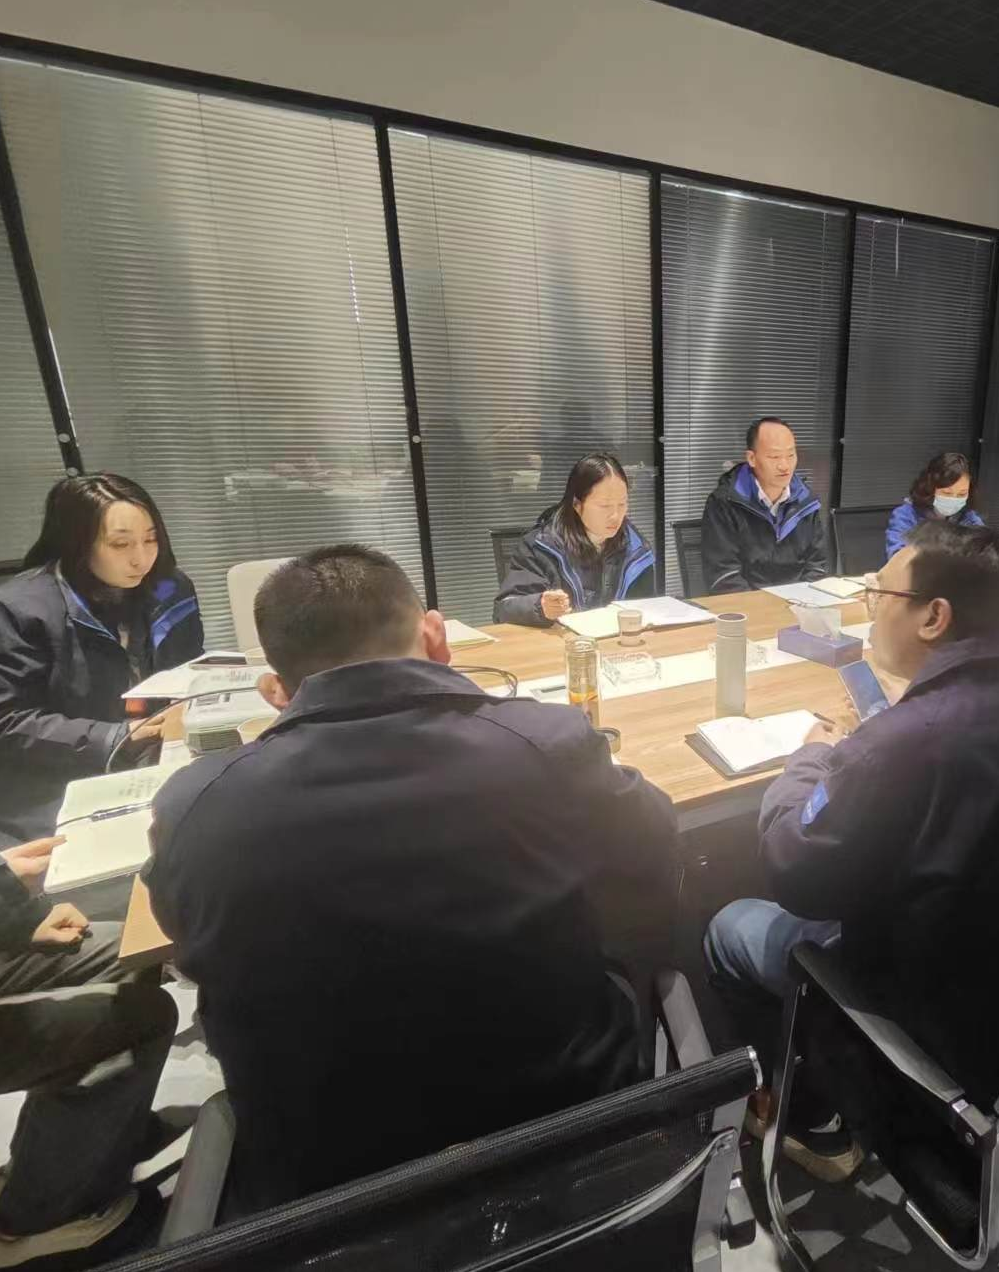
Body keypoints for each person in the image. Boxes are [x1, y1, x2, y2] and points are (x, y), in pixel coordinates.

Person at [147, 545, 677, 1211]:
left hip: (333, 1202)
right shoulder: (547, 745)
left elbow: (187, 942)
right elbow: (655, 848)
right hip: (567, 1142)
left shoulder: (196, 807)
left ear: (277, 692)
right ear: (435, 636)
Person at [704, 522, 999, 1178]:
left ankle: (815, 1117)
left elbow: (794, 868)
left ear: (934, 616)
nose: (872, 609)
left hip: (936, 1036)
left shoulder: (900, 743)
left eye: (881, 595)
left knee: (728, 925)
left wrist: (812, 760)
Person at [0, 831, 176, 1272]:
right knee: (144, 1018)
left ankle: (60, 1167)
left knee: (130, 952)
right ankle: (28, 1228)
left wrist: (18, 920)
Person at [0, 474, 204, 847]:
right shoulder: (8, 612)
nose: (141, 558)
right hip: (49, 794)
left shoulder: (168, 588)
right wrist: (119, 737)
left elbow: (189, 667)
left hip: (157, 762)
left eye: (151, 539)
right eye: (121, 544)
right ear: (77, 544)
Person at [493, 453, 657, 626]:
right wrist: (540, 606)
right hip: (560, 640)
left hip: (618, 640)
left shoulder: (636, 548)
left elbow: (646, 608)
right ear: (577, 505)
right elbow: (503, 610)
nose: (616, 515)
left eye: (622, 504)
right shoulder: (541, 545)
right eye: (604, 505)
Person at [699, 417, 831, 594]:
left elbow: (818, 566)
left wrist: (804, 601)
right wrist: (767, 606)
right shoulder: (725, 502)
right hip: (747, 605)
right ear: (752, 458)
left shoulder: (806, 501)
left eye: (791, 455)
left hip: (799, 603)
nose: (784, 466)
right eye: (774, 457)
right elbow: (723, 577)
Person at [884, 451, 985, 558]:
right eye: (947, 493)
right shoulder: (906, 515)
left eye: (962, 494)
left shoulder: (969, 518)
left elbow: (986, 550)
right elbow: (897, 556)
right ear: (930, 488)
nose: (954, 499)